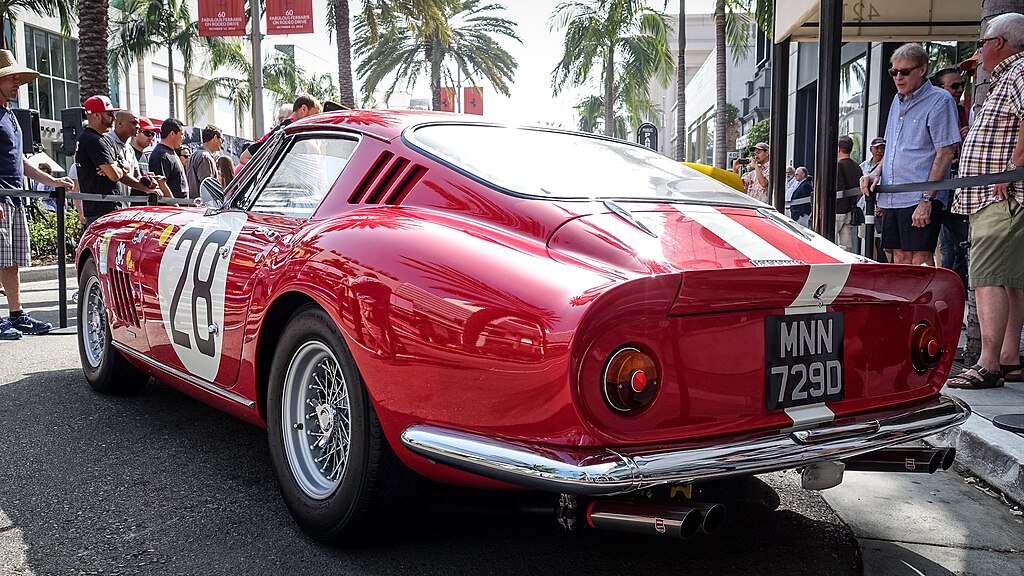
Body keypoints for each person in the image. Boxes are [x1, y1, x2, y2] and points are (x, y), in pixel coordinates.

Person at [946, 12, 1024, 389]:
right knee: (1008, 279)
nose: (978, 51)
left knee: (989, 277)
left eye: (981, 42)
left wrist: (1014, 167)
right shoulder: (1007, 76)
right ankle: (1006, 358)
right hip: (994, 193)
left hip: (1001, 194)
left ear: (999, 43)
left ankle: (990, 363)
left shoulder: (1018, 70)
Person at [860, 43, 960, 266]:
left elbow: (945, 152)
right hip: (893, 195)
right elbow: (893, 149)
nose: (898, 77)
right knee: (897, 257)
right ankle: (902, 302)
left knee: (920, 259)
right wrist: (875, 172)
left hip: (919, 195)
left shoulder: (939, 100)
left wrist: (926, 199)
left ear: (922, 70)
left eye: (904, 72)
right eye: (893, 72)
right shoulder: (897, 100)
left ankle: (921, 302)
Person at [0, 50, 74, 339]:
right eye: (11, 78)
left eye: (18, 78)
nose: (17, 82)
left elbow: (19, 160)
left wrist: (52, 181)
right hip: (2, 196)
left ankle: (17, 315)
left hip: (14, 196)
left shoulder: (10, 115)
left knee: (11, 260)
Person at [75, 95, 129, 228]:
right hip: (101, 212)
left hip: (106, 209)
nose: (114, 117)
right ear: (96, 115)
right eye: (109, 113)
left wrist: (118, 166)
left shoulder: (103, 139)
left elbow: (121, 167)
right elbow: (114, 175)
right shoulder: (93, 140)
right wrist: (121, 167)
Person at [238, 94, 320, 164]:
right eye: (315, 114)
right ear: (304, 109)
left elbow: (245, 157)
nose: (317, 119)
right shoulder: (300, 133)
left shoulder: (276, 131)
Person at [106, 110, 162, 204]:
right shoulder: (106, 141)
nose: (137, 126)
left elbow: (136, 175)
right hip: (106, 204)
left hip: (124, 205)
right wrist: (146, 189)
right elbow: (117, 175)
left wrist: (148, 182)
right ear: (119, 123)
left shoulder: (129, 149)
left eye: (153, 134)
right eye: (133, 123)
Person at [835, 135, 863, 252]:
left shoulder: (836, 166)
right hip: (849, 210)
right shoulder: (857, 167)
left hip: (836, 210)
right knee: (847, 247)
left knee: (830, 244)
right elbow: (860, 190)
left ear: (838, 149)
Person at [149, 118, 188, 199]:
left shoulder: (171, 153)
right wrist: (174, 205)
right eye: (182, 134)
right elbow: (161, 184)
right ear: (172, 134)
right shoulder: (161, 155)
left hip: (182, 207)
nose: (183, 138)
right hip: (171, 209)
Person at [185, 125, 222, 199]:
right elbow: (207, 186)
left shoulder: (195, 154)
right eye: (221, 139)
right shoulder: (205, 156)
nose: (221, 142)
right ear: (215, 138)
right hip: (203, 205)